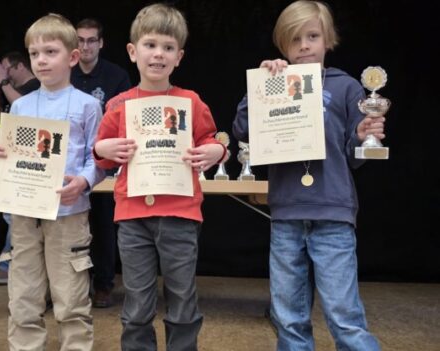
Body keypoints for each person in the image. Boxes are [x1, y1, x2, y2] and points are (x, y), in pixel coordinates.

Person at [232, 1, 384, 350]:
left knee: (343, 315)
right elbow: (242, 129)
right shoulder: (274, 82)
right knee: (288, 317)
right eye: (295, 38)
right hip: (286, 213)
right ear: (283, 46)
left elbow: (354, 158)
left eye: (312, 36)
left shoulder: (346, 87)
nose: (304, 45)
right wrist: (260, 85)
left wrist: (361, 136)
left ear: (327, 40)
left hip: (333, 213)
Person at [93, 4, 226, 350]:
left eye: (168, 48)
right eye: (150, 45)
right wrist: (103, 150)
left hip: (180, 214)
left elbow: (210, 140)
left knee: (182, 299)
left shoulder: (191, 102)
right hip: (133, 217)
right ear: (133, 51)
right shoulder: (118, 105)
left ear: (179, 57)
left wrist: (217, 152)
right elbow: (101, 154)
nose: (158, 54)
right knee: (137, 303)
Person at [0, 13, 103, 350]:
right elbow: (12, 157)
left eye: (50, 52)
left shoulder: (89, 105)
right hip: (25, 215)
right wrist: (2, 156)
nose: (41, 60)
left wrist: (83, 182)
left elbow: (99, 160)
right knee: (24, 294)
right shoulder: (21, 106)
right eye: (34, 53)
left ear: (72, 57)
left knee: (70, 297)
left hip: (69, 215)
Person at [71, 17, 132, 308]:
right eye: (80, 40)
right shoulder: (64, 73)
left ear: (101, 43)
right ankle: (73, 285)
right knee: (71, 225)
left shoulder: (116, 76)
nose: (85, 46)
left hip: (105, 164)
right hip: (70, 165)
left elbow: (126, 119)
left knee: (104, 226)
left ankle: (104, 284)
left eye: (91, 40)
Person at [0, 51, 40, 285]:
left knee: (16, 216)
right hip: (9, 159)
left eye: (5, 69)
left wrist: (3, 82)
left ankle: (9, 266)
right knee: (10, 214)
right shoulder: (8, 89)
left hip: (32, 163)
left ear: (19, 67)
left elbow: (27, 112)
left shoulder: (36, 87)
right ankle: (9, 265)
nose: (2, 74)